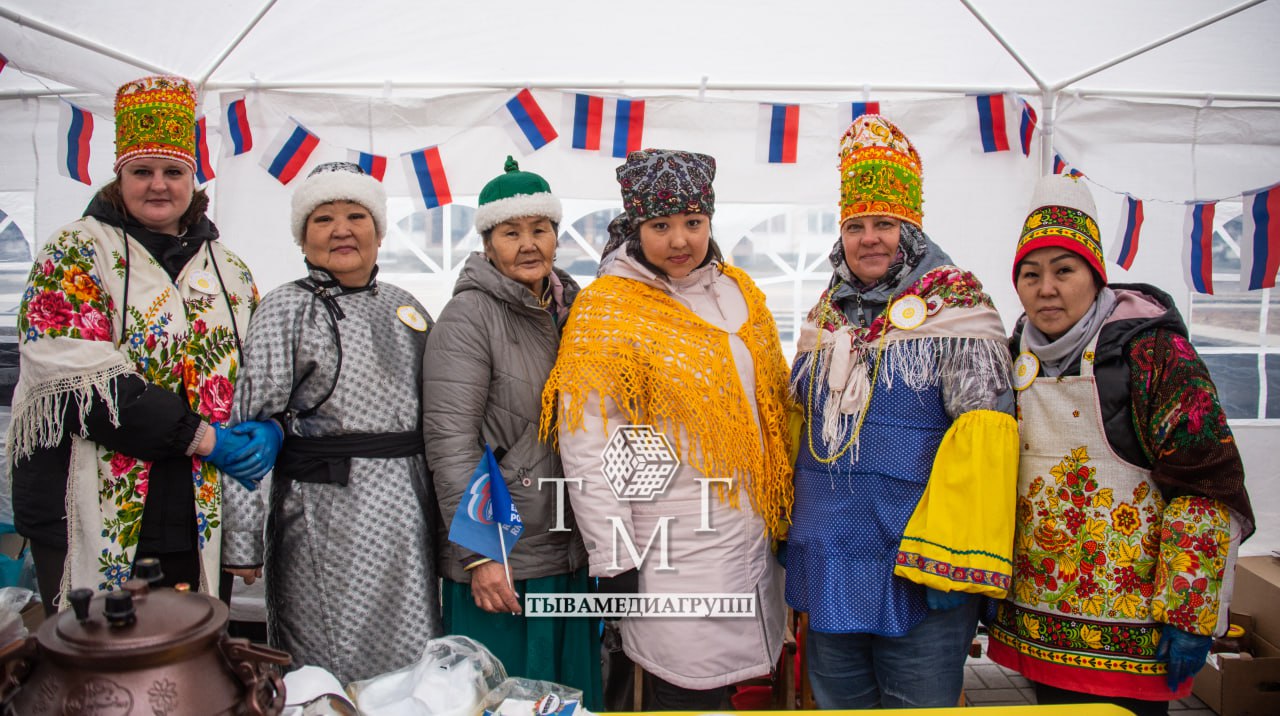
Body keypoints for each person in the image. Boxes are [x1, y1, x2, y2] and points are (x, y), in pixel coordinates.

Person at [987, 175, 1254, 716]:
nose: (1047, 289)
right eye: (1031, 274)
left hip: (1135, 635)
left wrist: (1188, 608)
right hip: (1041, 627)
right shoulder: (1012, 355)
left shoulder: (1155, 353)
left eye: (1065, 270)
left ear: (1095, 276)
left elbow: (1208, 483)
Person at [540, 149, 794, 710]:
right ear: (636, 226)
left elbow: (775, 408)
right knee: (682, 689)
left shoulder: (739, 291)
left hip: (748, 543)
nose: (680, 240)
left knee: (733, 681)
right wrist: (615, 557)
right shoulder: (608, 307)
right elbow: (588, 443)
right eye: (661, 226)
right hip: (671, 549)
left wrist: (783, 511)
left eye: (693, 223)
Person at [7, 75, 268, 614]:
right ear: (119, 176)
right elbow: (82, 381)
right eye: (141, 171)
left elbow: (258, 368)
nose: (158, 185)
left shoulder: (230, 270)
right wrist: (202, 438)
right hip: (87, 499)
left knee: (187, 661)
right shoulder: (76, 251)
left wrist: (270, 423)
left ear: (193, 181)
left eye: (173, 172)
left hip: (196, 509)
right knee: (99, 663)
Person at [785, 115, 1018, 709]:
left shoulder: (958, 308)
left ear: (910, 229)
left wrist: (960, 562)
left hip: (916, 567)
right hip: (832, 559)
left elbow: (986, 442)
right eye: (857, 226)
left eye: (885, 224)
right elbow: (799, 431)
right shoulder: (825, 315)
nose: (870, 239)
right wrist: (790, 529)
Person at [222, 162, 441, 684]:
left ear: (380, 231)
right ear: (303, 237)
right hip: (328, 514)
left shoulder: (405, 306)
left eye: (355, 215)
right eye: (323, 219)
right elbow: (249, 424)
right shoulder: (285, 308)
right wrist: (243, 541)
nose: (341, 229)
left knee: (412, 665)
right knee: (325, 666)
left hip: (410, 515)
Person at [423, 156, 599, 708]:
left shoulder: (576, 311)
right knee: (500, 698)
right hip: (503, 557)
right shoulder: (468, 317)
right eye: (511, 232)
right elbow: (450, 444)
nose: (528, 244)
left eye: (539, 229)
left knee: (566, 697)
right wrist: (481, 555)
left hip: (567, 549)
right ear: (487, 242)